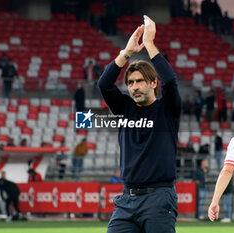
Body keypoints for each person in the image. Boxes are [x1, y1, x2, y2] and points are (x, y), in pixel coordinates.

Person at [98, 16, 180, 233]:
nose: (134, 87)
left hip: (158, 198)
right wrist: (126, 53)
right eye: (131, 82)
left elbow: (170, 81)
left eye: (140, 81)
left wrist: (150, 45)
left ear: (153, 83)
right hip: (126, 200)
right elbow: (104, 84)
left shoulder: (168, 110)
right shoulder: (125, 108)